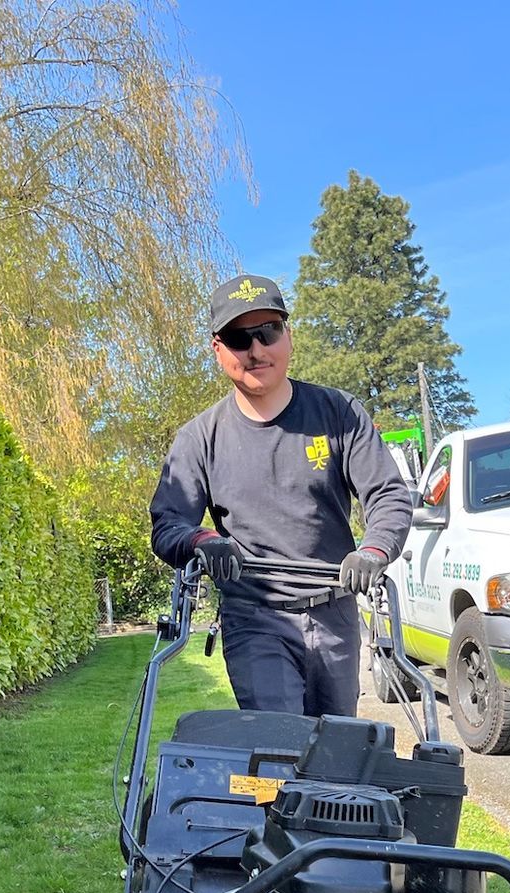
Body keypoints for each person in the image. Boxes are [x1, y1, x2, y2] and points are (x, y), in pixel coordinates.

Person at [150, 273, 413, 718]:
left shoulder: (338, 413)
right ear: (219, 350)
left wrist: (372, 550)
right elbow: (168, 523)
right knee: (279, 748)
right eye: (239, 338)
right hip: (256, 620)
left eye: (267, 332)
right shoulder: (200, 439)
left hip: (335, 613)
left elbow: (388, 494)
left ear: (288, 335)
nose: (256, 350)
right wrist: (203, 541)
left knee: (337, 753)